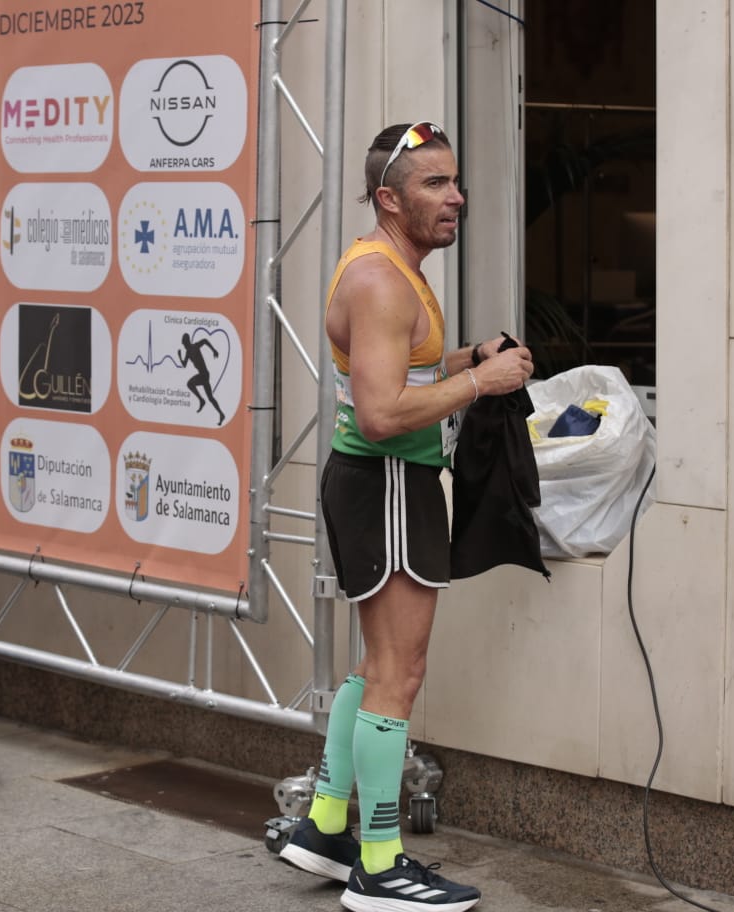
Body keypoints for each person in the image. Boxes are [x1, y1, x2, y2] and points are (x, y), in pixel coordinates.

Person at [278, 122, 533, 912]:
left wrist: (465, 358)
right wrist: (483, 385)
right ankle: (380, 865)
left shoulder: (393, 269)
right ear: (389, 198)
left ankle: (324, 827)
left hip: (389, 484)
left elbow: (405, 366)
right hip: (387, 479)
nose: (456, 196)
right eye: (434, 185)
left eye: (455, 181)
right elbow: (384, 411)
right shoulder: (383, 282)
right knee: (400, 676)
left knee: (374, 668)